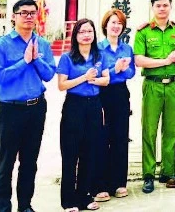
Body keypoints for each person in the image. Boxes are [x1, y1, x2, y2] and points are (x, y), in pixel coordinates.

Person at [0, 0, 56, 212]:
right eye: (23, 13)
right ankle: (3, 208)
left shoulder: (42, 44)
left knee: (29, 161)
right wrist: (23, 61)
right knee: (6, 161)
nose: (28, 17)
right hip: (11, 109)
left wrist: (35, 59)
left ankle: (25, 206)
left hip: (36, 108)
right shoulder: (1, 45)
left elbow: (49, 74)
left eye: (32, 13)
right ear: (13, 16)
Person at [134, 0, 175, 193]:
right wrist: (166, 61)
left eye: (165, 5)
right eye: (158, 5)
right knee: (149, 130)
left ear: (170, 7)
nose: (162, 8)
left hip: (173, 85)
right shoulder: (143, 32)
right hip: (153, 85)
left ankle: (168, 172)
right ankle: (148, 174)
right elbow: (139, 60)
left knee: (171, 130)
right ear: (152, 7)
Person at [56, 18, 110, 212]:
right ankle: (69, 200)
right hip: (74, 106)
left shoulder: (99, 55)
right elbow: (62, 85)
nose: (86, 35)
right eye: (82, 32)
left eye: (90, 31)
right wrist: (84, 78)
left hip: (94, 106)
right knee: (71, 154)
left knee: (90, 152)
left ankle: (85, 196)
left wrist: (94, 80)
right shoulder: (67, 57)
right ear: (75, 35)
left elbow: (106, 80)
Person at [94, 9, 136, 202]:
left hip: (120, 93)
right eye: (113, 22)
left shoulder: (126, 48)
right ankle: (100, 184)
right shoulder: (97, 48)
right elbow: (96, 73)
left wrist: (118, 71)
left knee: (120, 137)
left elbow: (131, 72)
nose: (116, 26)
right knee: (102, 137)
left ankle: (119, 183)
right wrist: (115, 69)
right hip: (102, 94)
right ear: (105, 25)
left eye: (119, 23)